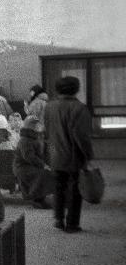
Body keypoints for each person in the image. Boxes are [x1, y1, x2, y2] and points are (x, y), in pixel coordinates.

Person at [44, 76, 94, 233]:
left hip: (55, 154)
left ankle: (59, 219)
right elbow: (81, 136)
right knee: (74, 189)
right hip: (72, 156)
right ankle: (72, 224)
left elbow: (47, 133)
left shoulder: (49, 107)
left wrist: (50, 154)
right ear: (77, 89)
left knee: (59, 187)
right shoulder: (79, 108)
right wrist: (88, 155)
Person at [13, 116, 54, 209]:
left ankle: (40, 198)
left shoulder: (37, 138)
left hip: (33, 165)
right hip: (23, 167)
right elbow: (29, 157)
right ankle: (36, 199)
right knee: (42, 174)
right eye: (35, 124)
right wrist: (43, 165)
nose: (38, 126)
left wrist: (50, 164)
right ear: (29, 127)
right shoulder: (25, 140)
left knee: (47, 173)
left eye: (38, 124)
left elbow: (45, 153)